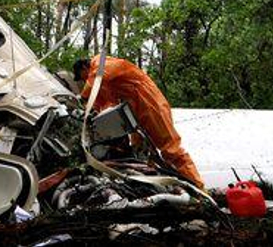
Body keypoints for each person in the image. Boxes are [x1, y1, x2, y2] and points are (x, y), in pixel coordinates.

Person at [73, 56, 205, 189]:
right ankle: (160, 187)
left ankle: (198, 187)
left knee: (170, 148)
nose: (84, 81)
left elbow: (97, 80)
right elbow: (100, 101)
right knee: (140, 152)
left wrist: (82, 98)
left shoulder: (102, 64)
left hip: (149, 103)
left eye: (83, 77)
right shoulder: (100, 79)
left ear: (84, 68)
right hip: (134, 110)